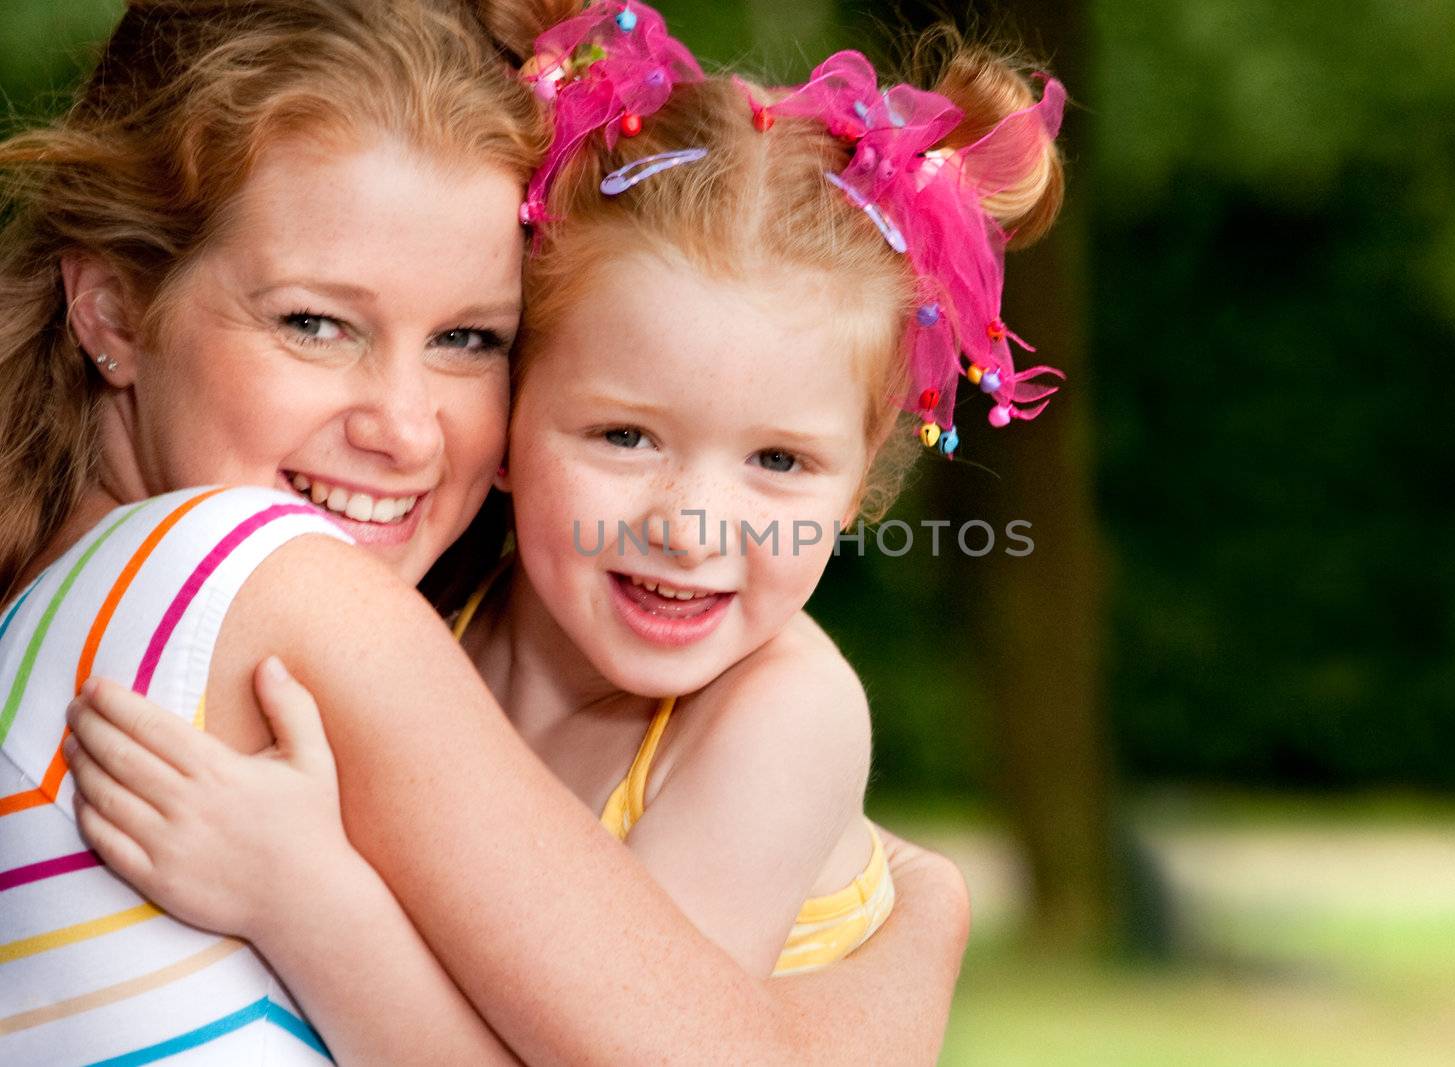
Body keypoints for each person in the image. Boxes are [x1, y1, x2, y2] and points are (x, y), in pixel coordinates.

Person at [0, 1, 968, 1064]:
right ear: (111, 311)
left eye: (467, 339)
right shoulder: (300, 593)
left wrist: (313, 900)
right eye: (313, 322)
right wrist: (923, 933)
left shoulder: (96, 602)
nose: (406, 427)